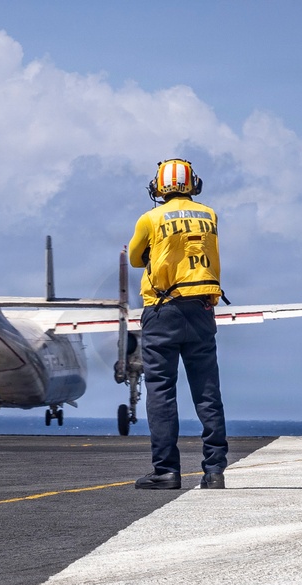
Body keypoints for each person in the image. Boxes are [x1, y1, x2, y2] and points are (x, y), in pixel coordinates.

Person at [128, 158, 228, 490]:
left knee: (160, 391)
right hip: (201, 309)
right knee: (207, 390)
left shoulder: (150, 218)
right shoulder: (209, 215)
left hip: (162, 311)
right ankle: (214, 471)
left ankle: (166, 471)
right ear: (193, 184)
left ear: (158, 186)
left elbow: (133, 257)